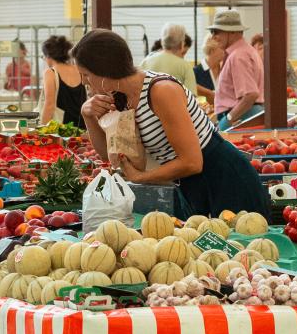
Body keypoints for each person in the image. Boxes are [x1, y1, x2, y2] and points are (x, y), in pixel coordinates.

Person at [76, 29, 269, 217]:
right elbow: (112, 155)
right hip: (190, 185)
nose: (84, 81)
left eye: (86, 74)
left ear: (105, 70)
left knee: (239, 245)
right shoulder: (119, 98)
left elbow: (193, 162)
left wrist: (140, 178)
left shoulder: (161, 91)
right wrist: (88, 115)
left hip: (223, 178)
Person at [209, 11, 264, 126]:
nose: (213, 36)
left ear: (232, 31)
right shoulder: (246, 51)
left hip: (241, 118)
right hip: (247, 115)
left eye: (216, 32)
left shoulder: (238, 56)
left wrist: (228, 118)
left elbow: (250, 94)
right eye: (212, 32)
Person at [35, 34, 86, 129]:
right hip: (82, 127)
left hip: (62, 130)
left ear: (48, 56)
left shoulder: (51, 73)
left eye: (44, 57)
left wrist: (42, 129)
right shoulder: (79, 70)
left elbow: (49, 105)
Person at [143, 25, 199, 95]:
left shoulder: (146, 61)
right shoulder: (185, 66)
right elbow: (191, 98)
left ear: (162, 42)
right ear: (182, 43)